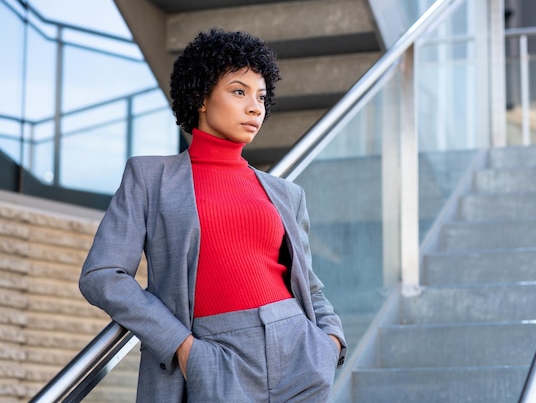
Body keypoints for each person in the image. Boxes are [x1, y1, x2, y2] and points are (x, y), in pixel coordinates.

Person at [79, 28, 346, 403]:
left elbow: (309, 285)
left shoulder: (287, 193)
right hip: (212, 357)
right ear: (201, 97)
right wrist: (182, 347)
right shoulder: (150, 177)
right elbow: (102, 276)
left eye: (261, 97)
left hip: (299, 353)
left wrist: (330, 342)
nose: (255, 107)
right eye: (239, 92)